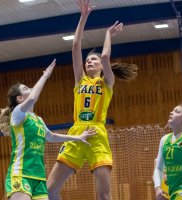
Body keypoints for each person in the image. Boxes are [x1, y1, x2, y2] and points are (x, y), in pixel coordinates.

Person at [47, 1, 138, 200]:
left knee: (104, 197)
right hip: (76, 132)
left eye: (92, 60)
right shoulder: (80, 80)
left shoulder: (107, 82)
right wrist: (84, 16)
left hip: (97, 134)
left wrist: (108, 33)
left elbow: (105, 55)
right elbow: (75, 45)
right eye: (87, 60)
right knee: (49, 190)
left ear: (101, 66)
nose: (89, 61)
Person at [0, 59, 97, 200]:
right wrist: (45, 75)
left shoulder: (38, 120)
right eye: (26, 88)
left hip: (39, 177)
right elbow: (34, 97)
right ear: (20, 98)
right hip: (21, 174)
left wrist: (78, 137)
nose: (31, 89)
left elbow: (51, 136)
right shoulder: (18, 114)